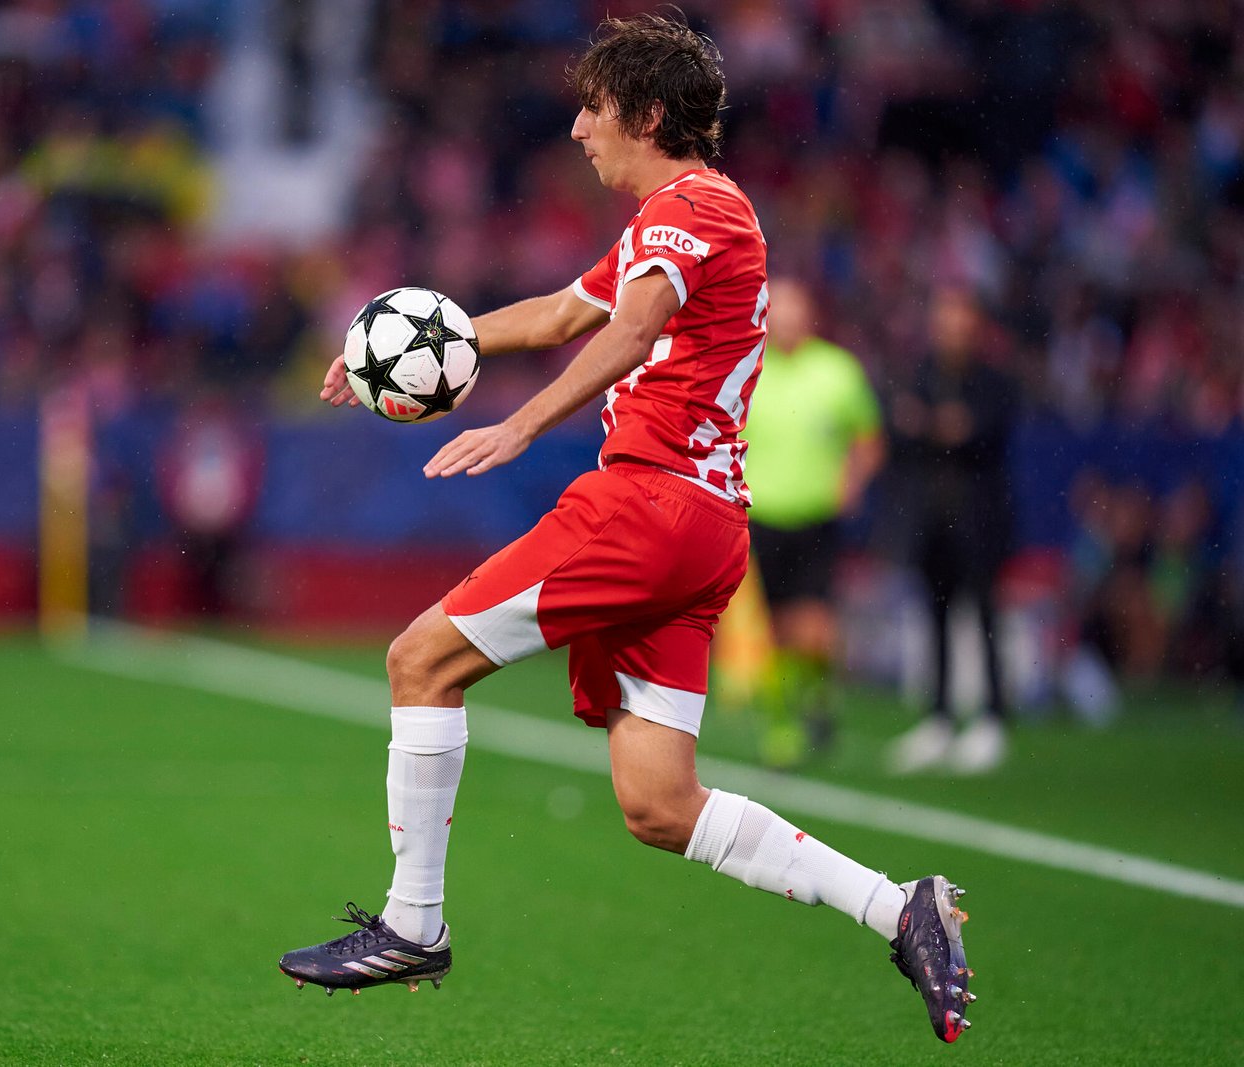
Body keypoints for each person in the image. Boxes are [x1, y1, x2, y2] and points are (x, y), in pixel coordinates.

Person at [279, 14, 975, 1045]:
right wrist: (404, 352)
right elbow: (565, 314)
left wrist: (516, 424)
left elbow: (630, 331)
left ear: (647, 115)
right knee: (658, 801)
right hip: (700, 528)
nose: (574, 129)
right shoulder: (678, 219)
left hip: (645, 506)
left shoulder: (690, 208)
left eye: (592, 109)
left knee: (418, 659)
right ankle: (898, 904)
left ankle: (412, 922)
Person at [740, 276, 885, 767]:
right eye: (776, 310)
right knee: (776, 631)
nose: (785, 320)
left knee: (816, 630)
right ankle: (782, 728)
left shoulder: (837, 371)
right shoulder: (749, 371)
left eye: (794, 310)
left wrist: (853, 481)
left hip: (817, 519)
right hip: (763, 519)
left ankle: (818, 697)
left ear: (809, 315)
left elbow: (868, 438)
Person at [885, 288, 1016, 775]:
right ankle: (939, 719)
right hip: (931, 518)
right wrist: (940, 428)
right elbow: (901, 429)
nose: (952, 331)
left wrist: (934, 428)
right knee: (934, 616)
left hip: (978, 520)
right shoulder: (920, 373)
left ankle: (992, 719)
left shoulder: (994, 381)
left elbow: (982, 433)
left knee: (984, 616)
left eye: (961, 321)